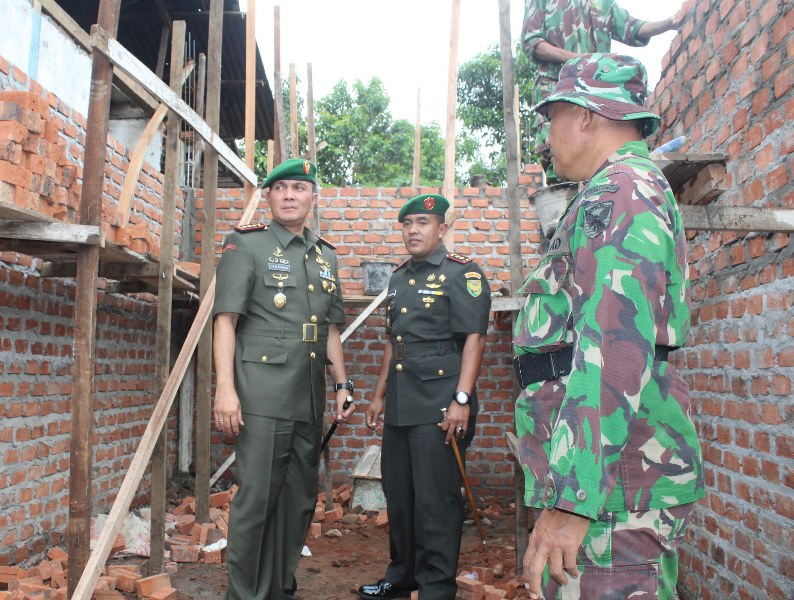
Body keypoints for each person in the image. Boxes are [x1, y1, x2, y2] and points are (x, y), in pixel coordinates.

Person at [512, 53, 704, 599]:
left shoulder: (620, 191)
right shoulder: (624, 189)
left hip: (610, 492)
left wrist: (573, 499)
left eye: (552, 119)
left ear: (586, 116)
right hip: (610, 483)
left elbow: (614, 348)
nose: (547, 139)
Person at [212, 158, 355, 600]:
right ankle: (245, 594)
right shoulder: (246, 245)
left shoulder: (325, 253)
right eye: (280, 188)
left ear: (313, 196)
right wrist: (225, 389)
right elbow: (225, 320)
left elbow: (330, 328)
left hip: (308, 396)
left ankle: (278, 589)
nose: (289, 195)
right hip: (261, 393)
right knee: (256, 501)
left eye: (299, 187)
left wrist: (342, 385)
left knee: (297, 502)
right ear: (269, 196)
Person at [359, 194, 492, 600]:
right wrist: (379, 395)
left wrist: (462, 399)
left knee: (435, 499)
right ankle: (402, 576)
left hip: (440, 400)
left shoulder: (462, 273)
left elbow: (475, 338)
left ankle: (436, 586)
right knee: (400, 497)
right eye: (407, 224)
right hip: (401, 401)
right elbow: (392, 343)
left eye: (423, 222)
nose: (413, 230)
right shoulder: (397, 278)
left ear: (442, 229)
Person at [522, 0, 686, 182]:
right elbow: (532, 43)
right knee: (558, 158)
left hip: (598, 97)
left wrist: (670, 22)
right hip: (558, 90)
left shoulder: (603, 3)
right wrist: (576, 61)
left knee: (605, 159)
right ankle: (570, 201)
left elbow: (634, 28)